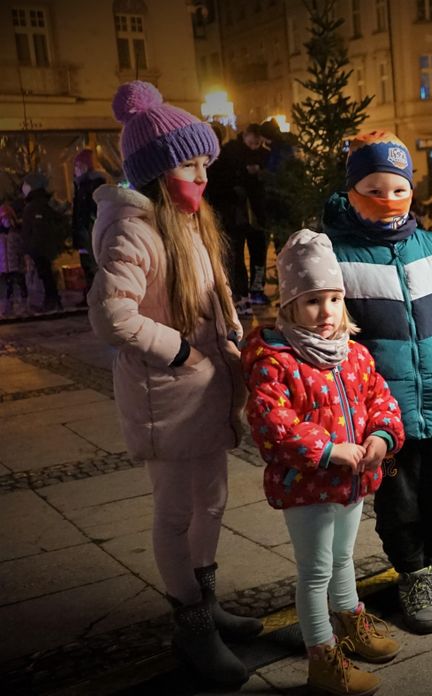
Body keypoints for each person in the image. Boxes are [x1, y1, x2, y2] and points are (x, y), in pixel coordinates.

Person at [86, 80, 261, 687]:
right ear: (160, 171)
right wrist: (181, 350)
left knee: (211, 503)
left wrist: (234, 341)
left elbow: (216, 295)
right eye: (192, 165)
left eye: (205, 163)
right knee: (175, 511)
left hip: (208, 390)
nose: (204, 176)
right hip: (170, 395)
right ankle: (190, 628)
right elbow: (113, 314)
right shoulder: (133, 230)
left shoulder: (190, 221)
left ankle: (207, 603)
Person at [322, 131, 432, 635]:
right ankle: (412, 574)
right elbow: (327, 329)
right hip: (384, 415)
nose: (388, 200)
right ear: (352, 192)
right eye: (373, 188)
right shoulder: (338, 258)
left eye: (398, 188)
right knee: (399, 503)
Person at [242, 229, 406, 696]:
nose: (326, 312)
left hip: (352, 482)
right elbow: (272, 421)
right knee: (315, 572)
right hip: (306, 484)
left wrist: (380, 436)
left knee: (343, 560)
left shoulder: (353, 354)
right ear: (291, 305)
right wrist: (328, 450)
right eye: (313, 300)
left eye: (334, 298)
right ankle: (321, 655)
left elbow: (380, 399)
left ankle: (349, 619)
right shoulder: (276, 359)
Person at [213, 123, 270, 310]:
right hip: (236, 214)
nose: (255, 143)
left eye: (258, 140)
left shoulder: (265, 154)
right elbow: (223, 184)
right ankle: (241, 294)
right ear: (244, 135)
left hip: (257, 213)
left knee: (258, 254)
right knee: (236, 256)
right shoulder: (230, 153)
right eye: (252, 139)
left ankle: (255, 291)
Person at [20, 172, 65, 312]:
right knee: (45, 275)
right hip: (40, 248)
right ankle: (53, 300)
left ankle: (51, 301)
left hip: (39, 249)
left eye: (25, 185)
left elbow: (38, 230)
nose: (23, 188)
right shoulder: (37, 203)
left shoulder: (35, 205)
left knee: (46, 275)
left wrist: (31, 248)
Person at [72, 148, 106, 304]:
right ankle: (90, 295)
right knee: (87, 264)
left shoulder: (92, 186)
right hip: (84, 231)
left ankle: (98, 296)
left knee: (93, 265)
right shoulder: (80, 186)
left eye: (78, 166)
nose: (76, 170)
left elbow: (91, 210)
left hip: (90, 230)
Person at [0, 203, 28, 316]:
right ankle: (8, 308)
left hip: (16, 265)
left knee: (21, 285)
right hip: (4, 267)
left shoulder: (16, 232)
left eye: (7, 217)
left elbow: (21, 248)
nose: (5, 220)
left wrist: (24, 262)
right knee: (7, 288)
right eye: (3, 218)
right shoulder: (1, 234)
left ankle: (24, 306)